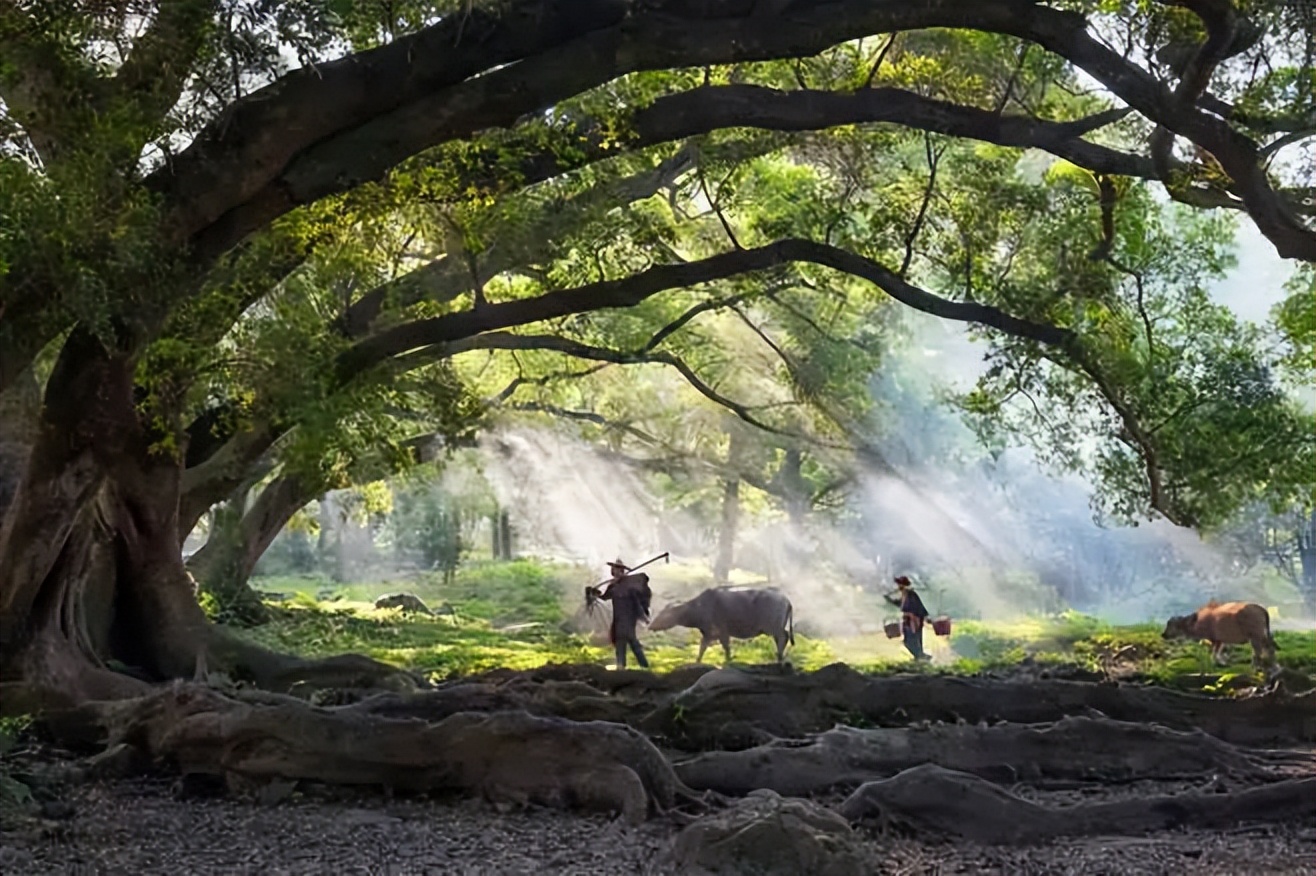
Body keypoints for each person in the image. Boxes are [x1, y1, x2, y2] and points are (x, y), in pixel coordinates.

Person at [588, 559, 652, 669]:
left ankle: (644, 667)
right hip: (618, 620)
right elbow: (604, 597)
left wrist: (643, 617)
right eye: (613, 570)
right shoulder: (613, 587)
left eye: (617, 570)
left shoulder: (630, 587)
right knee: (620, 644)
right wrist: (594, 593)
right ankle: (621, 668)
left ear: (622, 571)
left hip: (628, 619)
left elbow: (636, 603)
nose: (614, 572)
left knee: (632, 642)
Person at [884, 575, 932, 661]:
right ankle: (919, 656)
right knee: (910, 640)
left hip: (914, 621)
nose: (898, 587)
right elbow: (900, 604)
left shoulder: (911, 595)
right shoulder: (905, 594)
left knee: (912, 641)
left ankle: (920, 656)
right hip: (908, 621)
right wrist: (889, 600)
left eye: (899, 584)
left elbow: (916, 608)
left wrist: (917, 618)